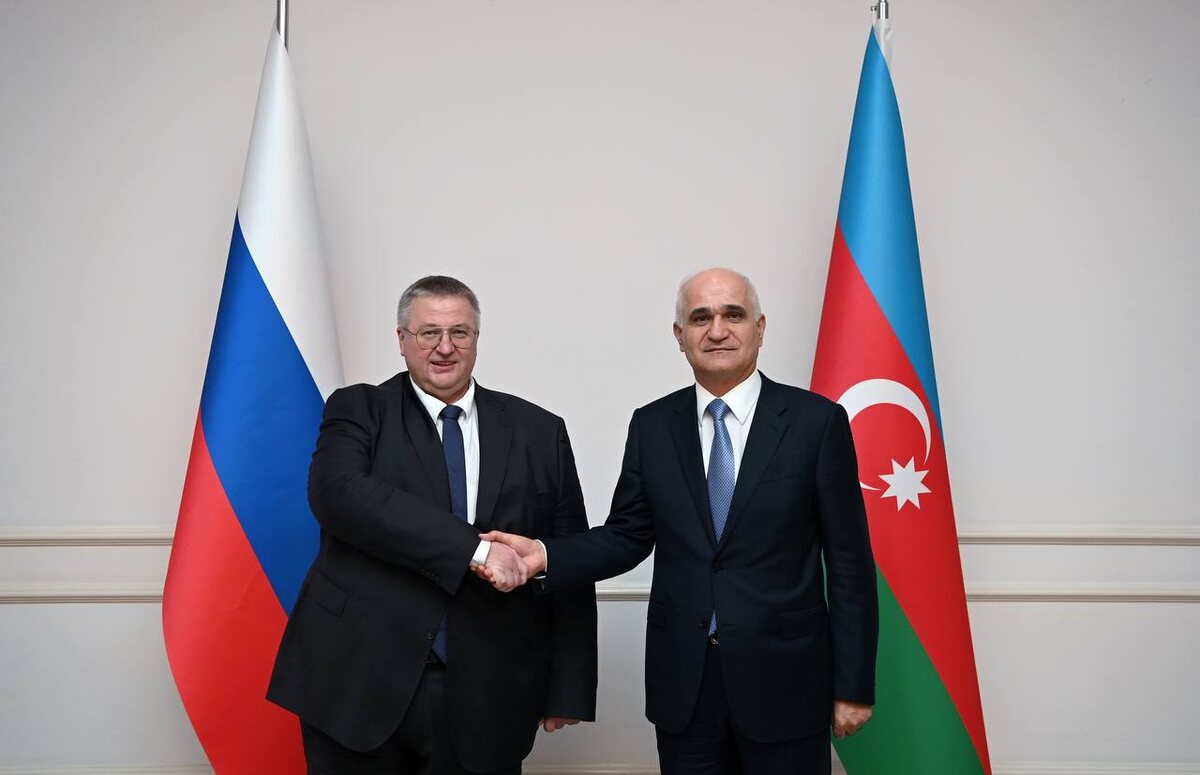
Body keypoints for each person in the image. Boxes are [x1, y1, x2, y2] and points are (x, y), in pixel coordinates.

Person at [482, 268, 878, 775]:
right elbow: (626, 535)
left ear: (760, 328)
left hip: (786, 682)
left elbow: (849, 564)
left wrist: (852, 686)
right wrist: (544, 554)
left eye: (733, 315)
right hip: (685, 687)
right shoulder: (652, 425)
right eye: (700, 318)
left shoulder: (816, 423)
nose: (717, 330)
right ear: (680, 335)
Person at [268, 275, 597, 774]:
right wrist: (477, 551)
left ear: (476, 339)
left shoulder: (539, 430)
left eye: (459, 332)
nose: (445, 348)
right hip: (355, 684)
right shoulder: (358, 409)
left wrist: (569, 688)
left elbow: (568, 555)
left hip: (488, 691)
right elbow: (339, 495)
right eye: (428, 333)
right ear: (402, 340)